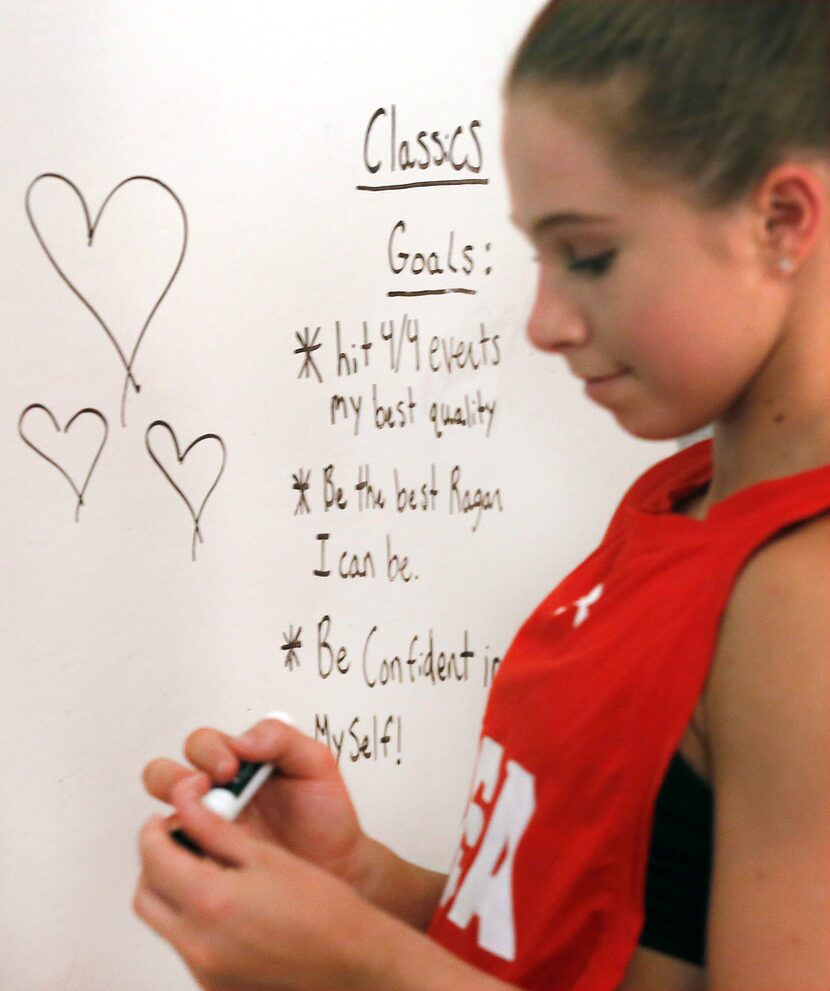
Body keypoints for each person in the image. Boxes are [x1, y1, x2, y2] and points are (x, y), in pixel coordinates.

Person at [134, 2, 830, 988]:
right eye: (536, 256)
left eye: (587, 256)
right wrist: (362, 885)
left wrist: (359, 968)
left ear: (780, 220)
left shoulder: (803, 596)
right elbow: (591, 948)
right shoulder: (681, 503)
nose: (541, 322)